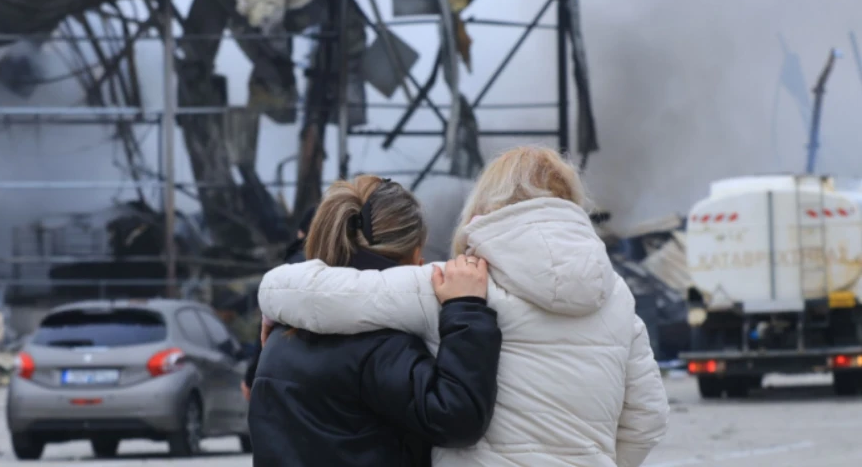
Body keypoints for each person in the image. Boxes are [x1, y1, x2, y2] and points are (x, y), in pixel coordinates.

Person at [259, 146, 670, 467]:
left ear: (486, 204)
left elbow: (333, 296)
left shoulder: (462, 282)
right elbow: (648, 417)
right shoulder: (616, 296)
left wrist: (274, 295)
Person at [249, 175, 502, 466]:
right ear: (415, 255)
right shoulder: (382, 346)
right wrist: (467, 308)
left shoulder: (279, 337)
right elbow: (458, 419)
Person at [241, 206, 317, 401]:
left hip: (291, 370)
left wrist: (250, 377)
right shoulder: (346, 266)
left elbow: (265, 331)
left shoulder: (289, 270)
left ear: (301, 233)